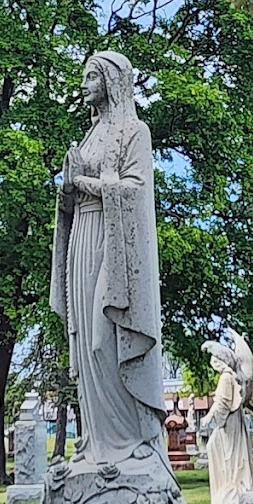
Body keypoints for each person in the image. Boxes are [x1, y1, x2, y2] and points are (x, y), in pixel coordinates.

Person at [49, 51, 166, 465]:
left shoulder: (135, 132)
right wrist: (67, 190)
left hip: (112, 241)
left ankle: (130, 439)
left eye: (90, 77)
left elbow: (134, 190)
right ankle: (97, 442)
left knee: (105, 339)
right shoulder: (88, 136)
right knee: (84, 340)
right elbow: (75, 191)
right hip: (82, 235)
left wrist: (83, 180)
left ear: (112, 82)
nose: (83, 85)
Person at [200, 332, 253, 504]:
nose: (213, 362)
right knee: (223, 449)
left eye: (215, 358)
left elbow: (222, 403)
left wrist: (209, 417)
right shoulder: (232, 376)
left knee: (219, 449)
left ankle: (230, 486)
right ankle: (229, 485)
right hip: (233, 421)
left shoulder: (226, 377)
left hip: (229, 422)